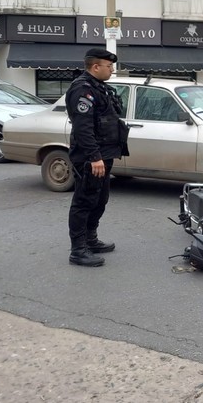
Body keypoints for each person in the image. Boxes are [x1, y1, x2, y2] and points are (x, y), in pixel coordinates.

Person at [65, 48, 130, 267]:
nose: (112, 70)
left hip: (104, 155)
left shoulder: (99, 88)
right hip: (90, 157)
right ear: (95, 67)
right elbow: (83, 128)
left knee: (100, 200)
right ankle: (78, 250)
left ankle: (90, 240)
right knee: (84, 201)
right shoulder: (82, 90)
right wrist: (94, 157)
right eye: (109, 66)